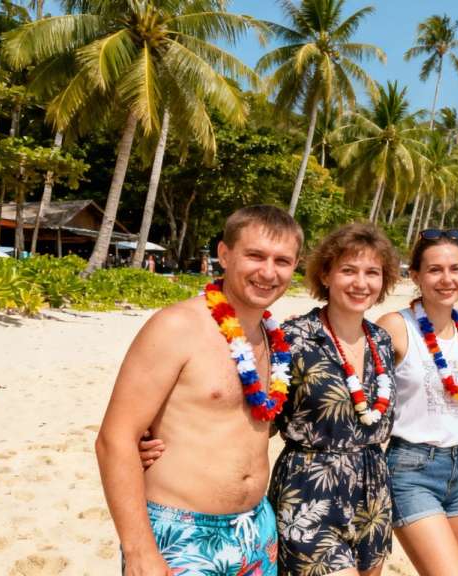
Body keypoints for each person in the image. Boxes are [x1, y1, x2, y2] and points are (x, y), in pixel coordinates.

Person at [96, 205, 303, 575]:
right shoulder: (177, 327)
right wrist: (139, 550)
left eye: (282, 261)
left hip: (256, 529)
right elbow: (115, 439)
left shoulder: (275, 339)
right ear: (225, 254)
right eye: (255, 255)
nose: (268, 272)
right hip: (180, 532)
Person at [269, 223, 401, 576]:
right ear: (325, 274)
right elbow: (259, 415)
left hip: (373, 491)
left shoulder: (382, 341)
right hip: (310, 487)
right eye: (348, 270)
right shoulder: (293, 339)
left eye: (372, 272)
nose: (361, 283)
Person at [375, 228, 458, 576]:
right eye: (435, 270)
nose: (446, 278)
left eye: (456, 269)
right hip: (412, 468)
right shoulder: (395, 327)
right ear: (416, 275)